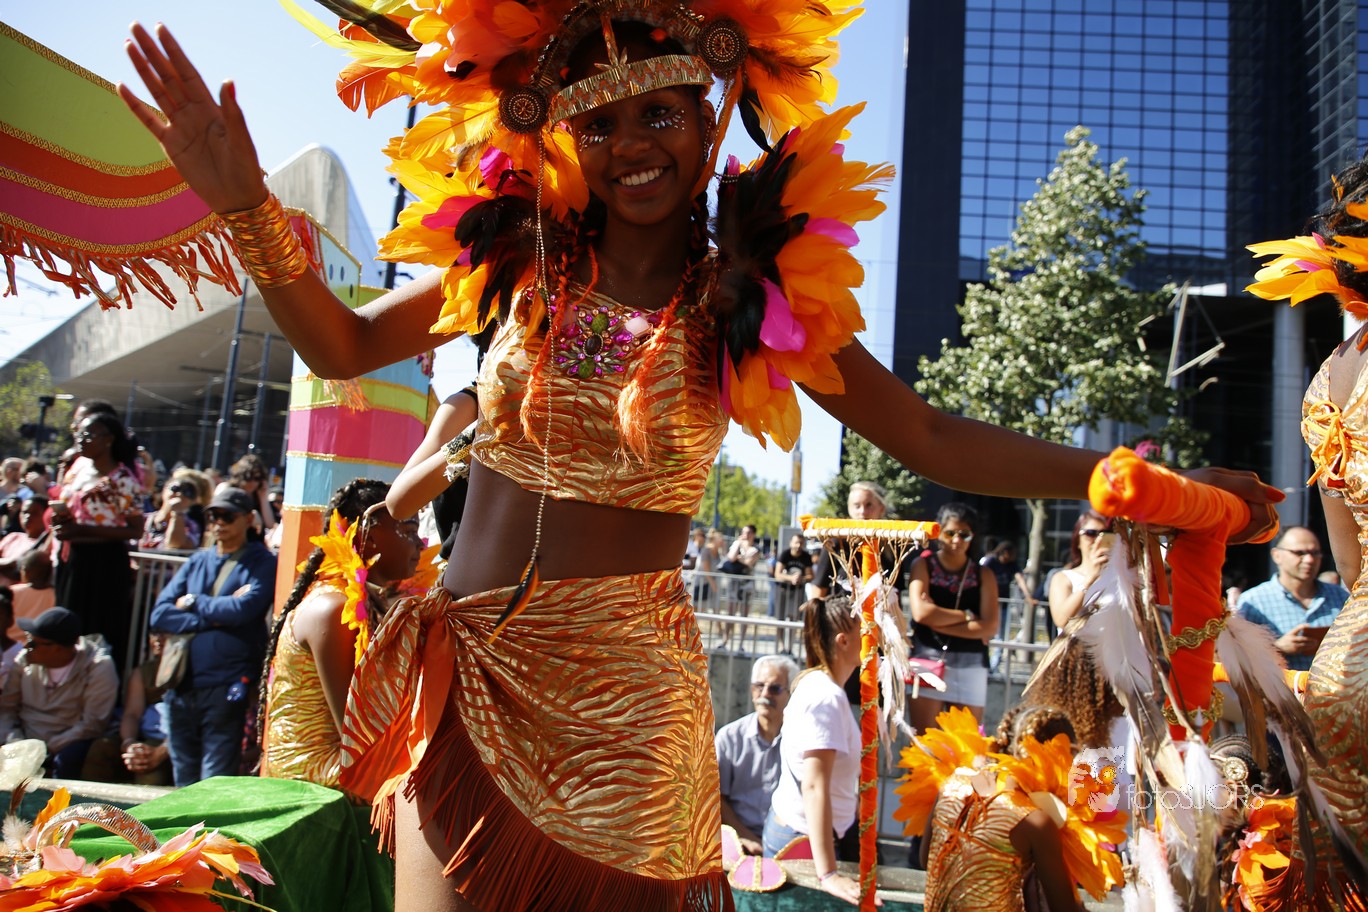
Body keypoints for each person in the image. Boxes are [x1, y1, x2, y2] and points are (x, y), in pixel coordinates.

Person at [121, 8, 1280, 908]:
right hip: (468, 681)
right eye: (601, 125)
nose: (632, 147)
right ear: (565, 136)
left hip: (632, 709)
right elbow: (341, 342)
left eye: (659, 115)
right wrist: (245, 205)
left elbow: (928, 435)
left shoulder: (755, 297)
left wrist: (1150, 484)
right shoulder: (519, 253)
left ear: (709, 115)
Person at [260, 479, 423, 787]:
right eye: (409, 531)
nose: (421, 544)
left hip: (347, 763)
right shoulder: (332, 608)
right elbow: (356, 735)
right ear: (368, 537)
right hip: (315, 778)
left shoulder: (373, 603)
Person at [148, 486, 276, 786]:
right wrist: (215, 616)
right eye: (213, 515)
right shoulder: (198, 561)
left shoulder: (262, 561)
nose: (218, 522)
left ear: (248, 519)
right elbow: (160, 614)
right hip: (181, 682)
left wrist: (193, 601)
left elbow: (244, 610)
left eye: (227, 516)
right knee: (183, 780)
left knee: (213, 780)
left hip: (226, 683)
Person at [921, 705, 1091, 912]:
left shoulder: (950, 785)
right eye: (1071, 757)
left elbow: (926, 860)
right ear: (1055, 757)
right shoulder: (1035, 822)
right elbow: (1064, 909)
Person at [762, 597, 865, 904]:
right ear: (843, 641)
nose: (872, 637)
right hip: (803, 840)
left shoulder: (819, 685)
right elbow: (814, 785)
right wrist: (828, 874)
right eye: (865, 630)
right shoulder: (825, 696)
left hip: (804, 833)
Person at [51, 411, 144, 674]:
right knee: (68, 623)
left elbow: (136, 529)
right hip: (73, 557)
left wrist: (82, 529)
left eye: (89, 435)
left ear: (108, 440)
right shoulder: (78, 468)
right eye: (80, 434)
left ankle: (97, 685)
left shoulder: (123, 480)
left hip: (104, 563)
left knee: (97, 627)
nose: (82, 439)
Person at [908, 502, 999, 729]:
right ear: (939, 533)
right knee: (925, 742)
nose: (957, 540)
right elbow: (921, 613)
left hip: (971, 665)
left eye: (964, 534)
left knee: (965, 744)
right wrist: (967, 616)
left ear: (972, 536)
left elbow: (989, 627)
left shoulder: (984, 575)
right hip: (927, 660)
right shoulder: (923, 565)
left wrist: (939, 621)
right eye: (950, 533)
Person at [0, 606, 119, 779]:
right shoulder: (24, 661)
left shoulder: (99, 667)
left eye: (33, 643)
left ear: (57, 648)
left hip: (68, 743)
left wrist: (46, 749)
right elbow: (7, 710)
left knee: (67, 759)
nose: (26, 647)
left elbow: (93, 723)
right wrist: (16, 742)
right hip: (24, 741)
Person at [716, 653, 801, 856]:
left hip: (788, 843)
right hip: (737, 842)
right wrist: (744, 836)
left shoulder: (801, 741)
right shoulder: (729, 738)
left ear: (791, 694)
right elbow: (715, 798)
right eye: (759, 686)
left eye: (775, 688)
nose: (765, 694)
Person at [1235, 526, 1348, 672]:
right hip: (1279, 686)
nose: (1309, 560)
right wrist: (1278, 648)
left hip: (1333, 684)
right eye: (1299, 553)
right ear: (1276, 555)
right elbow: (1238, 657)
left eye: (1315, 553)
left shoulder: (1340, 596)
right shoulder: (1253, 602)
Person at [81, 633, 174, 786]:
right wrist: (129, 743)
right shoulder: (144, 672)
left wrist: (160, 751)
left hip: (171, 743)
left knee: (148, 772)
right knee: (102, 748)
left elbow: (189, 725)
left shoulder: (195, 673)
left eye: (166, 633)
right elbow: (132, 714)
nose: (158, 638)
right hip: (142, 736)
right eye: (155, 632)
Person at [1047, 509, 1115, 630]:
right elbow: (1061, 620)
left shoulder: (1119, 577)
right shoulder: (1063, 578)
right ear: (1077, 540)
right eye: (1091, 533)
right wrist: (1090, 579)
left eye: (1105, 533)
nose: (1098, 540)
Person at [980, 539, 1035, 651]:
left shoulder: (1011, 564)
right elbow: (981, 575)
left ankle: (997, 659)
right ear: (1004, 552)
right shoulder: (991, 561)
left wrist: (1028, 596)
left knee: (1001, 632)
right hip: (988, 601)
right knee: (985, 630)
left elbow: (1020, 579)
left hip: (1003, 602)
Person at [719, 525, 762, 650]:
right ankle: (725, 640)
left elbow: (749, 563)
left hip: (747, 584)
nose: (746, 535)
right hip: (734, 583)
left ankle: (741, 644)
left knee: (744, 615)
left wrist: (740, 558)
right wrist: (738, 544)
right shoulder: (736, 544)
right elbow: (731, 557)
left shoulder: (756, 548)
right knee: (730, 613)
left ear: (753, 534)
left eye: (748, 532)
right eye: (744, 532)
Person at [772, 534, 814, 653]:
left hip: (797, 591)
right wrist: (791, 578)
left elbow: (811, 575)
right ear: (791, 543)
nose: (798, 545)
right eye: (796, 542)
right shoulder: (785, 554)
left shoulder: (806, 556)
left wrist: (801, 578)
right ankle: (781, 646)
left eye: (801, 543)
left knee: (793, 618)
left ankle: (789, 646)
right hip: (783, 589)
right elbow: (777, 574)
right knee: (780, 619)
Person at [139, 475, 203, 551]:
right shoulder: (144, 519)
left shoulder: (191, 526)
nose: (180, 494)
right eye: (175, 488)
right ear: (164, 490)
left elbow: (175, 543)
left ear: (193, 501)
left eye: (188, 493)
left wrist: (177, 513)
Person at [8, 549, 56, 643]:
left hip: (10, 645)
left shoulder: (12, 592)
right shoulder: (56, 596)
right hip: (38, 646)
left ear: (27, 572)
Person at [0, 495, 48, 583]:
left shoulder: (46, 545)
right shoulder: (13, 537)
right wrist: (9, 563)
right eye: (24, 512)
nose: (28, 516)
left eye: (34, 513)